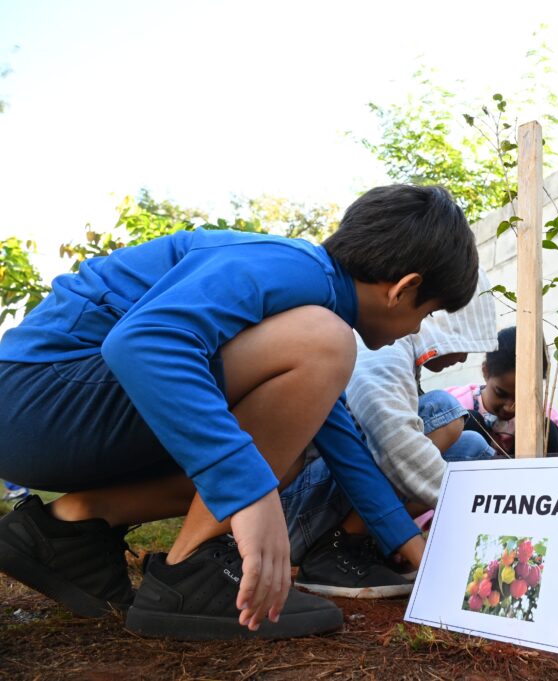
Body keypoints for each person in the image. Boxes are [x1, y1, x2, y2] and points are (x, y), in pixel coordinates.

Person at [0, 184, 479, 638]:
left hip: (47, 415)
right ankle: (191, 573)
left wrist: (408, 544)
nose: (417, 328)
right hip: (34, 400)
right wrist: (249, 494)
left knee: (285, 454)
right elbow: (142, 343)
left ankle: (72, 529)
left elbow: (340, 441)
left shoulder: (314, 296)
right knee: (323, 348)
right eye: (426, 314)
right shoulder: (295, 272)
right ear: (403, 288)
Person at [280, 269, 498, 599]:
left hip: (316, 503)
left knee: (471, 448)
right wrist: (484, 512)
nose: (465, 357)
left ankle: (364, 543)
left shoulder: (400, 352)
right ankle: (338, 548)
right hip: (290, 513)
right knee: (443, 411)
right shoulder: (384, 350)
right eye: (465, 343)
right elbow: (393, 440)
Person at [445, 325, 558, 457]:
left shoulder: (540, 411)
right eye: (501, 394)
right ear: (486, 372)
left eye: (522, 398)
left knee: (545, 427)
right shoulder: (454, 403)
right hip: (472, 469)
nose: (510, 407)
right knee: (464, 420)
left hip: (526, 470)